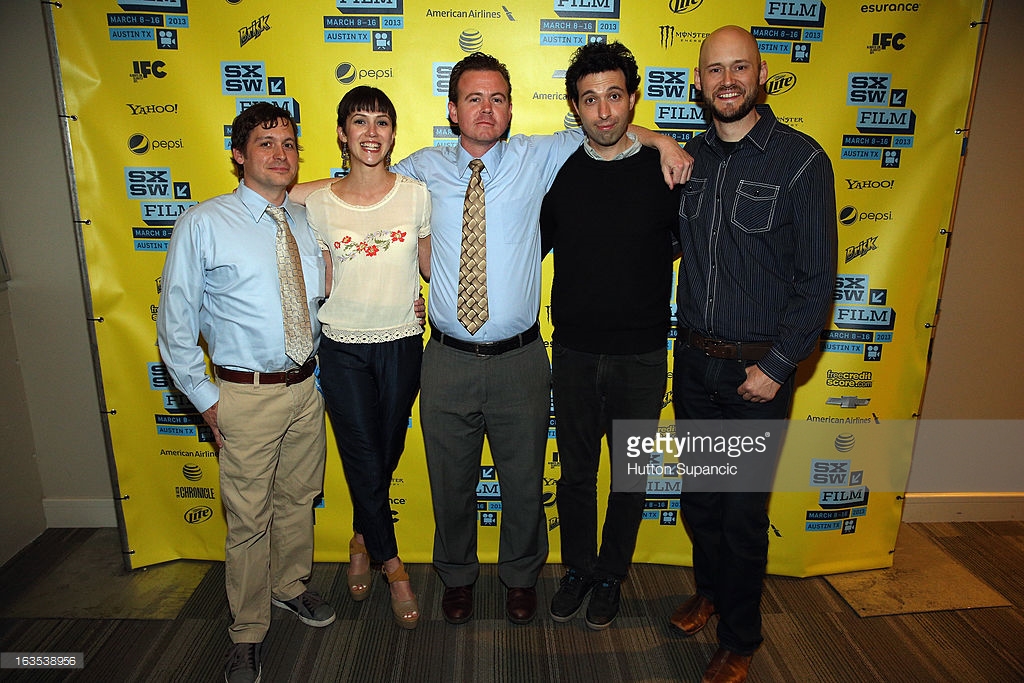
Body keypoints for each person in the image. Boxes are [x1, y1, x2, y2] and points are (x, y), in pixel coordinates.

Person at [391, 51, 691, 626]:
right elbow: (363, 185)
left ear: (511, 107)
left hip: (523, 358)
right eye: (473, 99)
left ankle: (521, 577)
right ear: (452, 110)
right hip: (448, 358)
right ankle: (456, 577)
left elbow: (609, 129)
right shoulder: (422, 167)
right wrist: (278, 193)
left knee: (526, 482)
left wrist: (663, 141)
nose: (486, 109)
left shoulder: (542, 154)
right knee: (449, 482)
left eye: (498, 98)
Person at [668, 26, 837, 683]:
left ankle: (740, 636)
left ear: (761, 76)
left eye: (740, 67)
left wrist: (775, 367)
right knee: (701, 500)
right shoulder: (689, 161)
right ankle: (710, 591)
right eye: (715, 69)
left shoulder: (801, 161)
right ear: (699, 81)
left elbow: (817, 280)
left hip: (754, 377)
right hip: (696, 365)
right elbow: (665, 245)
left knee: (742, 515)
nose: (727, 80)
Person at [157, 102, 335, 683]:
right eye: (265, 142)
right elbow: (175, 326)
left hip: (306, 388)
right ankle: (247, 631)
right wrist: (207, 401)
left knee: (298, 499)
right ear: (239, 154)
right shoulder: (204, 223)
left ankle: (290, 588)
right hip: (243, 396)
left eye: (288, 143)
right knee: (248, 519)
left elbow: (319, 301)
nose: (280, 153)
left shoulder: (308, 221)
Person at [539, 41, 680, 631]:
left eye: (614, 97)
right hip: (571, 352)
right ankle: (576, 568)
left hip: (642, 357)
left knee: (630, 478)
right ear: (574, 107)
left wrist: (661, 139)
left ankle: (611, 575)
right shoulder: (558, 168)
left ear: (632, 100)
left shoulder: (668, 170)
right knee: (574, 475)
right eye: (590, 99)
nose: (603, 112)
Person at [293, 86, 430, 630]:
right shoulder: (319, 203)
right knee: (360, 453)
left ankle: (359, 537)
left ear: (393, 133)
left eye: (381, 122)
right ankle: (393, 565)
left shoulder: (417, 195)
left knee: (385, 450)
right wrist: (334, 183)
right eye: (359, 122)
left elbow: (428, 265)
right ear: (342, 134)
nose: (371, 133)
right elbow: (276, 189)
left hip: (401, 342)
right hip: (342, 345)